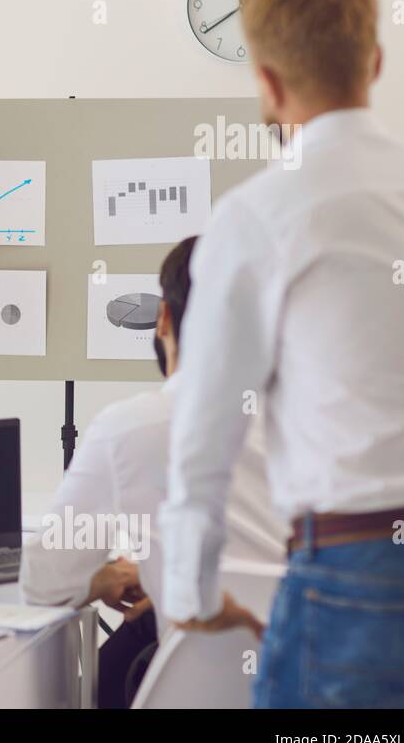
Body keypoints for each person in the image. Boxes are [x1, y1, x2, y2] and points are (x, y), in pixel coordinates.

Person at [159, 0, 404, 708]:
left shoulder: (261, 213)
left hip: (358, 581)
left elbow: (205, 425)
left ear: (265, 80)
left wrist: (188, 591)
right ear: (375, 63)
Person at [21, 237, 286, 707]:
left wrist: (101, 579)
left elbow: (45, 580)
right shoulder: (319, 423)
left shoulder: (132, 426)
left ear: (163, 319)